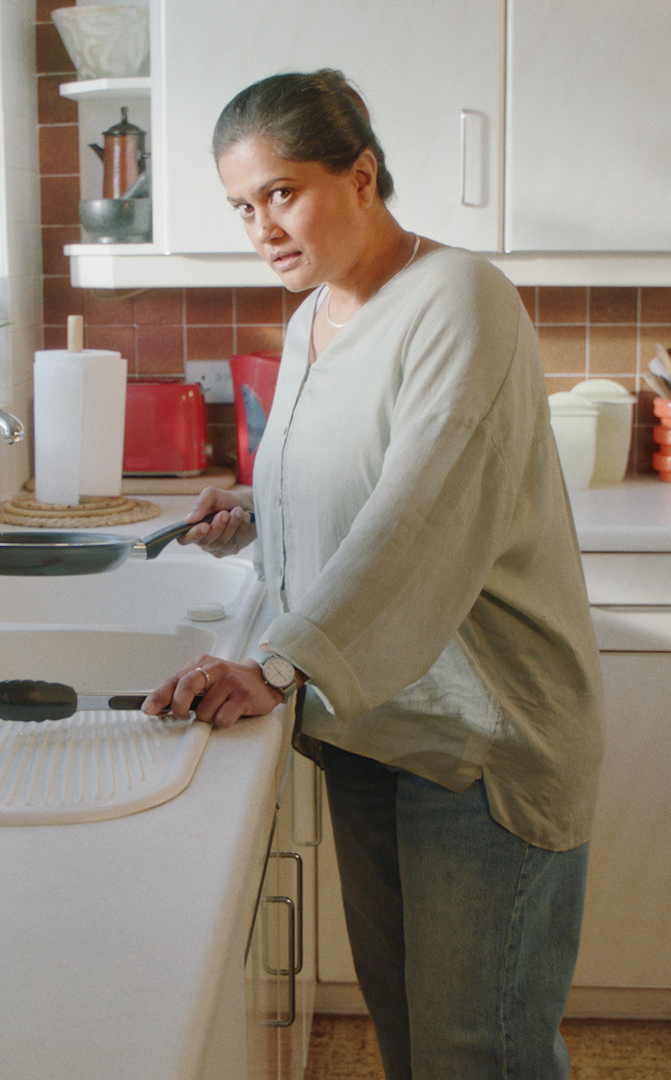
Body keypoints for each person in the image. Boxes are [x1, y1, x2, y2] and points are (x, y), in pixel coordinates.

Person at [140, 70, 604, 1079]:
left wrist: (272, 667)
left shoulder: (458, 296)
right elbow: (352, 477)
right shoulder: (312, 317)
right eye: (241, 206)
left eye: (282, 192)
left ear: (360, 177)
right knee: (410, 1034)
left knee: (477, 1053)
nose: (261, 226)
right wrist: (257, 515)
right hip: (368, 721)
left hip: (478, 739)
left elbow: (420, 512)